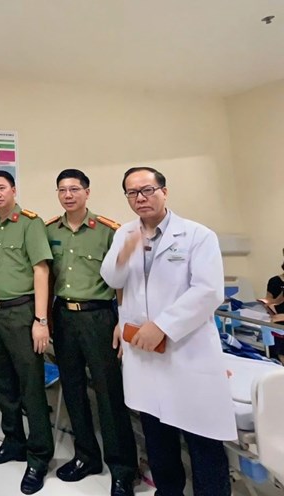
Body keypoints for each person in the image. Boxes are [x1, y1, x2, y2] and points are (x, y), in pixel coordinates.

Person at [101, 166, 236, 496]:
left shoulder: (197, 235)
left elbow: (208, 291)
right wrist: (124, 254)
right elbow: (111, 280)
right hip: (145, 357)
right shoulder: (125, 234)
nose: (140, 198)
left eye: (147, 190)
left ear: (164, 191)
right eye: (132, 193)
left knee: (202, 439)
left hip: (186, 353)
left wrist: (162, 326)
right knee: (157, 437)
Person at [45, 169, 137, 496]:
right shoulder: (49, 230)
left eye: (74, 189)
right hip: (64, 317)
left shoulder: (109, 231)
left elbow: (123, 280)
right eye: (62, 190)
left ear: (87, 192)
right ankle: (86, 456)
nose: (68, 195)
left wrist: (122, 321)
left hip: (99, 317)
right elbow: (46, 276)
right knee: (72, 389)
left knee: (108, 394)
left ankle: (123, 469)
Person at [0, 170, 53, 495]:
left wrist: (41, 320)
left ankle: (39, 456)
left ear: (13, 190)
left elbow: (41, 270)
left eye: (1, 188)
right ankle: (14, 442)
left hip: (22, 313)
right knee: (4, 383)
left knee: (30, 386)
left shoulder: (29, 222)